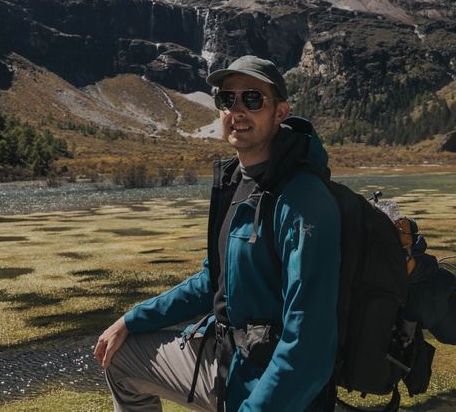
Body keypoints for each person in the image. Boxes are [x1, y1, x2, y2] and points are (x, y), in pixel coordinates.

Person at [94, 55, 341, 411]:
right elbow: (214, 282)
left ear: (281, 111)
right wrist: (131, 319)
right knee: (119, 355)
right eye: (227, 99)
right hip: (228, 362)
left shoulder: (303, 200)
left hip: (271, 384)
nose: (237, 111)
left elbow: (309, 346)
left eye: (252, 99)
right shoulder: (239, 182)